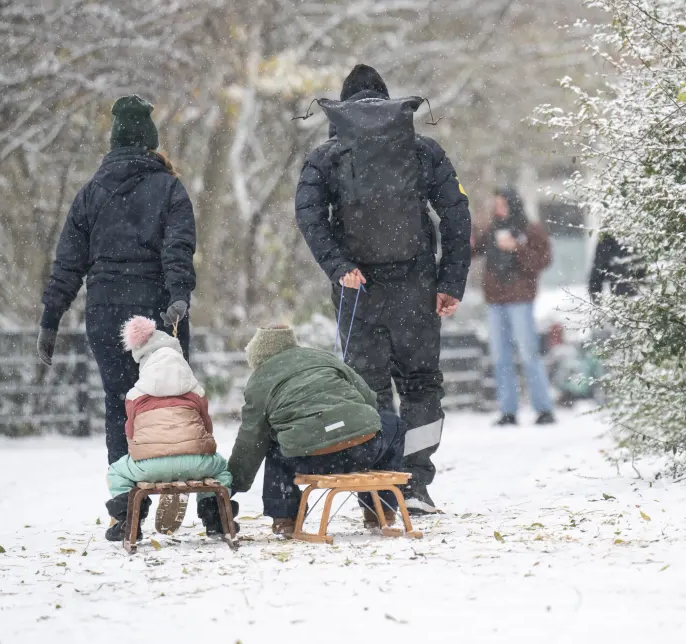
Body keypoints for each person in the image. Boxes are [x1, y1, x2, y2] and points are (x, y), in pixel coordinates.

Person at [294, 64, 471, 515]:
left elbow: (310, 216)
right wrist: (450, 281)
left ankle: (376, 491)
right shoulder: (423, 151)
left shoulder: (326, 156)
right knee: (420, 384)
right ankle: (414, 484)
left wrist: (339, 266)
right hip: (417, 286)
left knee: (367, 388)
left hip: (359, 289)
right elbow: (455, 216)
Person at [37, 95, 196, 527]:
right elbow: (178, 248)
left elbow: (68, 263)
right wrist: (179, 294)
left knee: (119, 407)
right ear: (150, 142)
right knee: (172, 400)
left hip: (107, 312)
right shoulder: (169, 188)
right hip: (159, 310)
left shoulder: (90, 193)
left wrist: (51, 317)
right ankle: (175, 479)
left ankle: (125, 509)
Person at [227, 326, 407, 536]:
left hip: (309, 458)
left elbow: (251, 440)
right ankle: (380, 509)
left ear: (258, 359)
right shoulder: (321, 357)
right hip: (364, 448)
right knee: (394, 424)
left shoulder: (259, 381)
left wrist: (234, 484)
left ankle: (285, 517)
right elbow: (369, 398)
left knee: (274, 443)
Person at [102, 316, 231, 541]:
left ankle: (128, 519)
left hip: (149, 467)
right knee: (221, 470)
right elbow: (206, 428)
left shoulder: (135, 395)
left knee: (116, 472)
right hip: (196, 463)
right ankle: (215, 518)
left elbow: (131, 434)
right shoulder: (196, 392)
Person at [472, 186, 556, 426]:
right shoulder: (491, 230)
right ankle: (508, 410)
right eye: (496, 205)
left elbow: (543, 260)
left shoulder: (531, 229)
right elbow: (473, 251)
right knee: (500, 357)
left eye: (502, 204)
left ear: (513, 204)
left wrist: (517, 248)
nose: (498, 209)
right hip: (495, 300)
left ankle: (543, 408)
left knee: (529, 353)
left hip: (520, 299)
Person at [587, 232, 642, 301]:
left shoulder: (607, 242)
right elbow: (598, 270)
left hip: (629, 294)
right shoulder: (607, 242)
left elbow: (597, 271)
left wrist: (596, 295)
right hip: (634, 294)